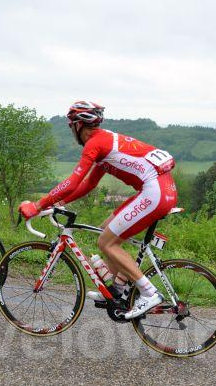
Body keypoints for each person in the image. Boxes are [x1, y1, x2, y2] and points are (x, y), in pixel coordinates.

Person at [19, 101, 178, 319]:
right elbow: (89, 184)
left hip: (154, 192)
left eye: (70, 125)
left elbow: (74, 180)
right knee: (104, 230)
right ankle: (117, 290)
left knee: (106, 242)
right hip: (159, 189)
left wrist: (38, 205)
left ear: (77, 125)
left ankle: (148, 292)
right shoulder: (104, 140)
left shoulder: (94, 144)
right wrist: (60, 203)